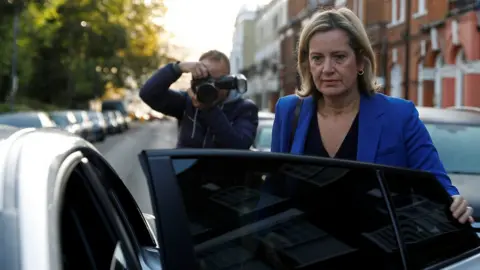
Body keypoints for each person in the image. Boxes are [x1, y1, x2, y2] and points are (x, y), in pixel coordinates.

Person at [271, 8, 473, 224]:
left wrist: (453, 202)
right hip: (301, 251)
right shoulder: (288, 111)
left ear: (360, 61)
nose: (327, 69)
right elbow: (274, 191)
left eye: (339, 57)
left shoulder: (400, 115)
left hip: (377, 252)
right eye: (317, 58)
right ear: (307, 64)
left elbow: (437, 184)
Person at [140, 50, 259, 149]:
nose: (210, 86)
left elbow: (238, 145)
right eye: (204, 79)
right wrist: (178, 68)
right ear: (194, 81)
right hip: (186, 174)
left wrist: (209, 110)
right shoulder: (187, 102)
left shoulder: (245, 109)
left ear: (228, 82)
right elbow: (148, 94)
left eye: (217, 81)